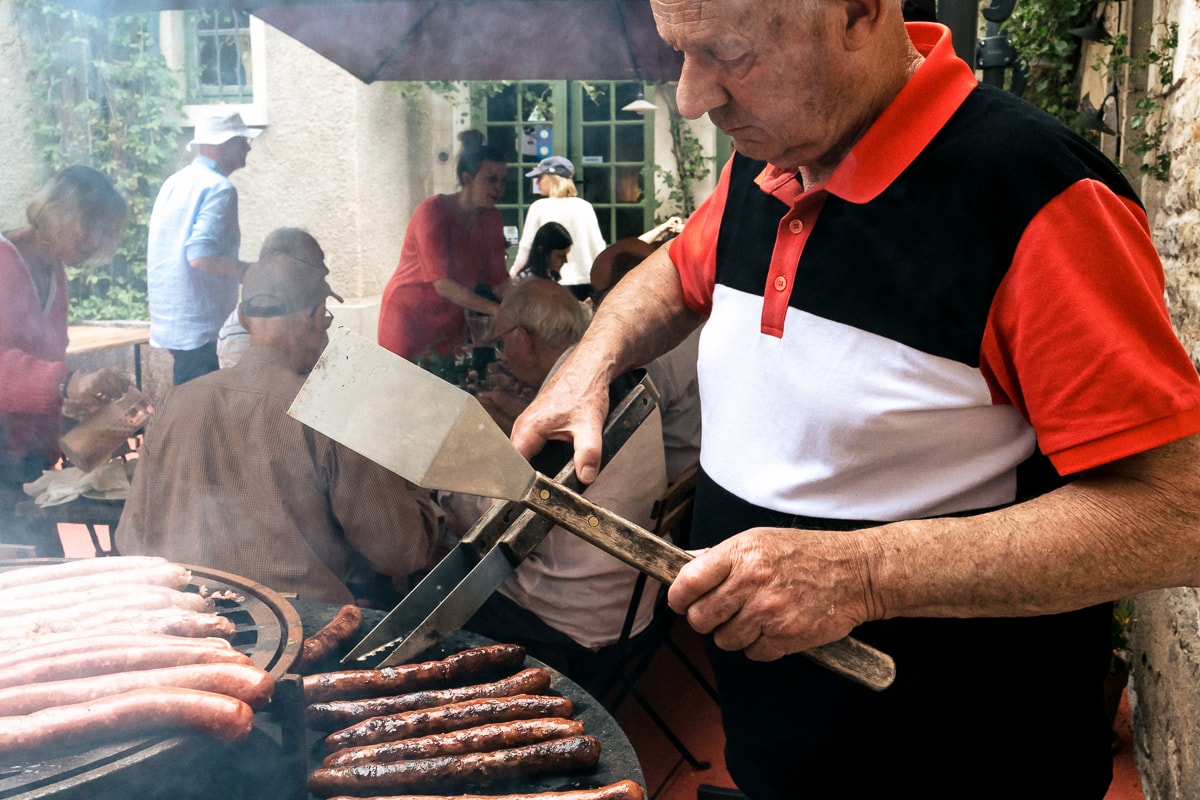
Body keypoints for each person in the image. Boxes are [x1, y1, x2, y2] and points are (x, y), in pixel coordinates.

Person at [508, 2, 1200, 797]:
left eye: (728, 52)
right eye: (680, 53)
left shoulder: (1038, 198)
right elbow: (677, 273)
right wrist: (590, 356)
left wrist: (863, 574)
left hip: (961, 768)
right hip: (776, 751)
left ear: (860, 13)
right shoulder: (770, 158)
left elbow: (1178, 513)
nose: (693, 96)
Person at [118, 230, 439, 607]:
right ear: (317, 317)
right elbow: (399, 551)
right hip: (302, 633)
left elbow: (130, 541)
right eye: (326, 317)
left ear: (242, 316)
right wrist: (419, 493)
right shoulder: (328, 408)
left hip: (189, 618)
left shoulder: (175, 402)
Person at [458, 278, 666, 692]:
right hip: (633, 598)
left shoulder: (566, 406)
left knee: (434, 566)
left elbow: (486, 520)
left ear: (523, 338)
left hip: (572, 617)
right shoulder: (610, 371)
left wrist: (448, 485)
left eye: (501, 344)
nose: (502, 355)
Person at [0, 166, 130, 555]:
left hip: (24, 459)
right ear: (58, 213)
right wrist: (67, 383)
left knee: (41, 566)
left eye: (106, 231)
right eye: (91, 225)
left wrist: (91, 422)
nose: (97, 240)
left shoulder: (54, 269)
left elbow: (47, 357)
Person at [147, 111, 261, 385]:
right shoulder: (219, 188)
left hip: (174, 320)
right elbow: (200, 257)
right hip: (202, 325)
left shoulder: (175, 181)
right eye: (240, 141)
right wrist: (251, 272)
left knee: (192, 402)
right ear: (220, 145)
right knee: (200, 413)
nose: (248, 147)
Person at [378, 145, 512, 361]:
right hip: (407, 319)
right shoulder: (431, 212)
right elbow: (443, 284)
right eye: (491, 179)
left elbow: (499, 282)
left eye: (502, 180)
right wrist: (499, 311)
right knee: (400, 388)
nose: (499, 187)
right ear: (467, 178)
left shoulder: (491, 218)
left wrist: (526, 305)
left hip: (449, 320)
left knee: (447, 385)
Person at [589, 238, 701, 484]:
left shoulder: (642, 353)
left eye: (595, 295)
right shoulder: (702, 325)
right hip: (691, 481)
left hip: (658, 491)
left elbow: (603, 441)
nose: (593, 307)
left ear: (622, 291)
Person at [214, 228, 345, 369]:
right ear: (280, 263)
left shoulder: (308, 310)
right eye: (316, 261)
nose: (326, 270)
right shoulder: (237, 335)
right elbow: (251, 387)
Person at [510, 156, 606, 301]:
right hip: (585, 285)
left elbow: (526, 248)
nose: (537, 182)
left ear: (552, 178)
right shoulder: (584, 207)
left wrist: (513, 277)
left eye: (540, 177)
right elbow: (597, 247)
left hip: (551, 284)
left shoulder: (539, 207)